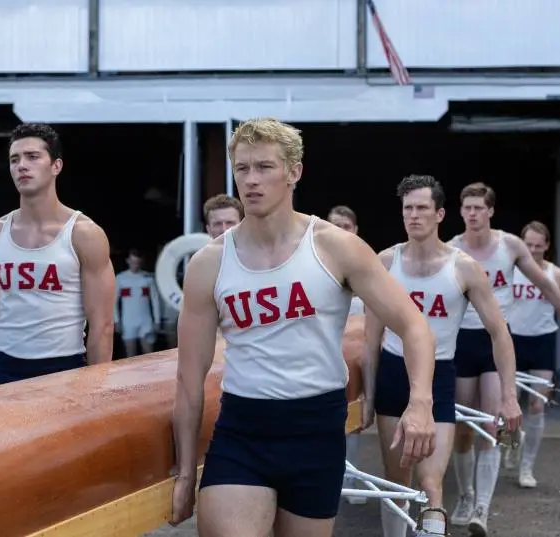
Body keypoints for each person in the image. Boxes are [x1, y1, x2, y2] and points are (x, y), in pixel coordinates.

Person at [170, 117, 437, 537]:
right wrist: (186, 472)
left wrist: (420, 402)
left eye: (265, 167)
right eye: (243, 168)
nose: (251, 180)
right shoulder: (209, 263)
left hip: (316, 429)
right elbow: (189, 376)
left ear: (293, 172)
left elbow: (414, 325)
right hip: (243, 430)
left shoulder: (335, 247)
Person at [362, 175, 521, 537]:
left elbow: (499, 332)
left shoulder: (463, 267)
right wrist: (369, 397)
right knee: (397, 482)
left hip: (440, 377)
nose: (413, 215)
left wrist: (509, 395)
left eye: (422, 208)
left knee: (432, 483)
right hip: (393, 374)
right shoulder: (384, 262)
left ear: (440, 214)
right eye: (408, 208)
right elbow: (371, 339)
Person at [447, 182, 560, 534]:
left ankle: (485, 503)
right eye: (467, 208)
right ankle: (465, 495)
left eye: (479, 207)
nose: (473, 214)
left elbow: (548, 286)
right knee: (463, 429)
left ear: (491, 211)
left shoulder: (509, 245)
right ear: (460, 211)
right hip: (463, 340)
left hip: (500, 339)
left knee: (496, 421)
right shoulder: (452, 249)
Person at [0, 123, 115, 393]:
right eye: (15, 159)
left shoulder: (84, 234)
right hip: (5, 368)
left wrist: (96, 391)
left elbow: (102, 324)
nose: (22, 166)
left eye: (32, 156)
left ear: (56, 166)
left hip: (64, 367)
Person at [505, 220, 560, 487]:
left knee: (537, 405)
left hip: (542, 341)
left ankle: (527, 467)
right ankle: (511, 444)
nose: (532, 250)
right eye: (528, 245)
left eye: (538, 246)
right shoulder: (509, 270)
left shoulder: (557, 275)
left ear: (547, 246)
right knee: (508, 404)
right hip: (512, 340)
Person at [327, 204, 365, 505]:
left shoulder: (366, 267)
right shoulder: (313, 266)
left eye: (346, 226)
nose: (340, 232)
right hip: (323, 360)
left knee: (354, 421)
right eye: (335, 226)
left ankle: (350, 478)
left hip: (355, 359)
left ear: (355, 231)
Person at [114, 249, 161, 357]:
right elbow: (114, 302)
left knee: (149, 354)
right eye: (133, 262)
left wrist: (157, 320)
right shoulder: (120, 278)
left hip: (146, 322)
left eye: (137, 262)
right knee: (131, 355)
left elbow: (155, 300)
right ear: (128, 261)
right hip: (128, 322)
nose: (135, 265)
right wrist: (116, 321)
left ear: (141, 262)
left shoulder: (148, 277)